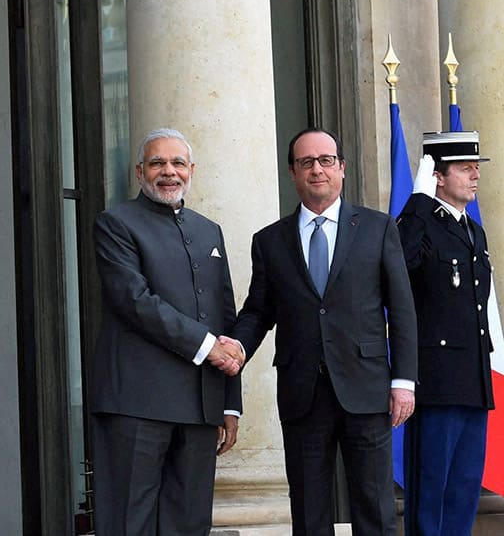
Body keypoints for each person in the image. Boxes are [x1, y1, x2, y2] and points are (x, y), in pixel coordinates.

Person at [232, 127, 418, 535]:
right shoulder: (269, 241)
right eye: (306, 163)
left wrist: (404, 380)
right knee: (309, 511)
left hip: (366, 390)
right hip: (303, 394)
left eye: (325, 161)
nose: (317, 170)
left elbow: (402, 308)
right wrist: (234, 348)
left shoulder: (377, 228)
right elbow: (258, 311)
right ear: (292, 172)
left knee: (375, 508)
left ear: (342, 169)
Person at [90, 128, 244, 536]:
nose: (168, 172)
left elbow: (223, 316)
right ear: (140, 171)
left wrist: (230, 403)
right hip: (136, 402)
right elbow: (135, 301)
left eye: (178, 163)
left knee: (190, 525)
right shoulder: (115, 223)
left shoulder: (209, 229)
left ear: (192, 170)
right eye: (157, 163)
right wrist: (208, 347)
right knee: (129, 523)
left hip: (199, 404)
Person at [396, 131, 495, 535]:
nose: (474, 176)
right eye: (465, 169)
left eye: (476, 168)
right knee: (431, 490)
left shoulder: (473, 230)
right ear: (437, 176)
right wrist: (418, 201)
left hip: (473, 379)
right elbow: (398, 262)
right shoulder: (420, 224)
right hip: (435, 381)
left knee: (464, 490)